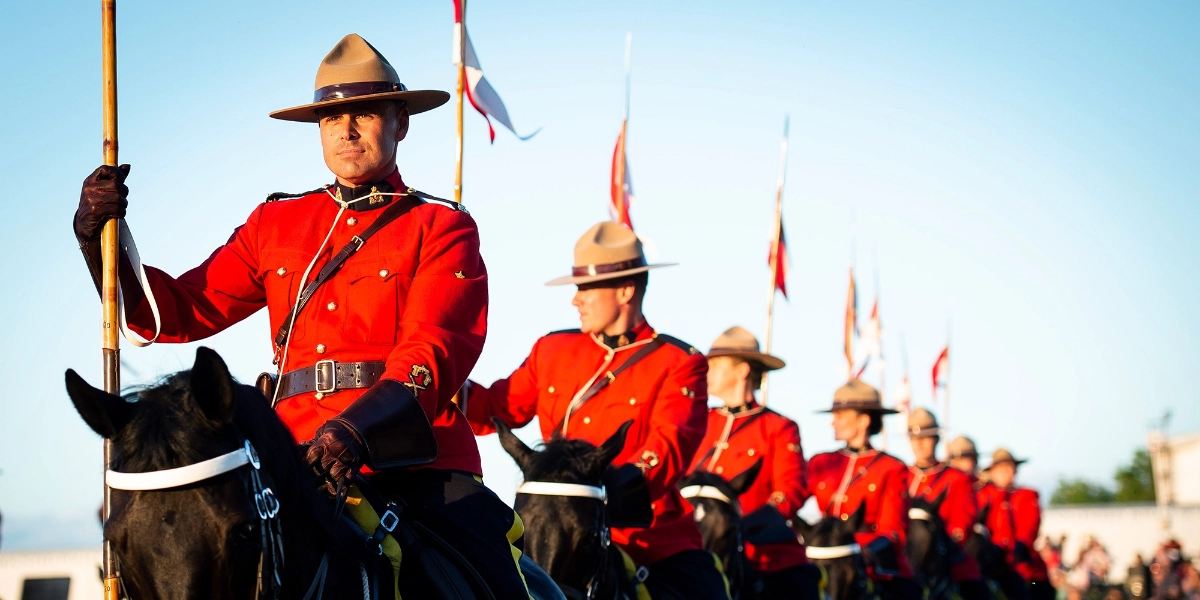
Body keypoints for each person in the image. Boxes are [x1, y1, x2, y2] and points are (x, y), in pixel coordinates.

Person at [73, 33, 530, 597]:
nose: (348, 130)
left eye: (363, 112)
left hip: (414, 463)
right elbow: (179, 311)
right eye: (332, 118)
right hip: (293, 461)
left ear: (400, 123)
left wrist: (352, 430)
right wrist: (100, 242)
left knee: (488, 572)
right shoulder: (277, 223)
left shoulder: (441, 226)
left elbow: (431, 352)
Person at [464, 221, 730, 600]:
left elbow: (668, 448)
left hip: (642, 536)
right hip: (552, 529)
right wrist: (449, 381)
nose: (576, 299)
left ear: (625, 289)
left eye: (586, 288)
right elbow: (496, 408)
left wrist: (608, 490)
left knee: (704, 588)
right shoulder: (552, 349)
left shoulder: (678, 362)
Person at [688, 326, 820, 600]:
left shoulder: (778, 427)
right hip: (694, 541)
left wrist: (751, 523)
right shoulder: (700, 420)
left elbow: (791, 491)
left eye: (714, 366)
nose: (706, 372)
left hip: (757, 549)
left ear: (742, 370)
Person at [806, 380, 922, 600]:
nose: (833, 423)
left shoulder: (891, 468)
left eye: (840, 416)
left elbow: (893, 529)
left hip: (871, 564)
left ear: (864, 420)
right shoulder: (821, 462)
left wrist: (863, 551)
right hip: (823, 557)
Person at [905, 408, 989, 600]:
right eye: (914, 439)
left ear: (936, 439)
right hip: (907, 558)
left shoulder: (957, 479)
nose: (919, 444)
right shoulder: (903, 477)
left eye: (925, 437)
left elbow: (963, 520)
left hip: (946, 557)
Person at [977, 448, 1053, 600]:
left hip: (1024, 567)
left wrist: (1022, 544)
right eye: (999, 468)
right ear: (992, 471)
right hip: (993, 566)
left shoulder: (1027, 495)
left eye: (1008, 467)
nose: (1004, 471)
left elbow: (1030, 526)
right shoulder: (984, 496)